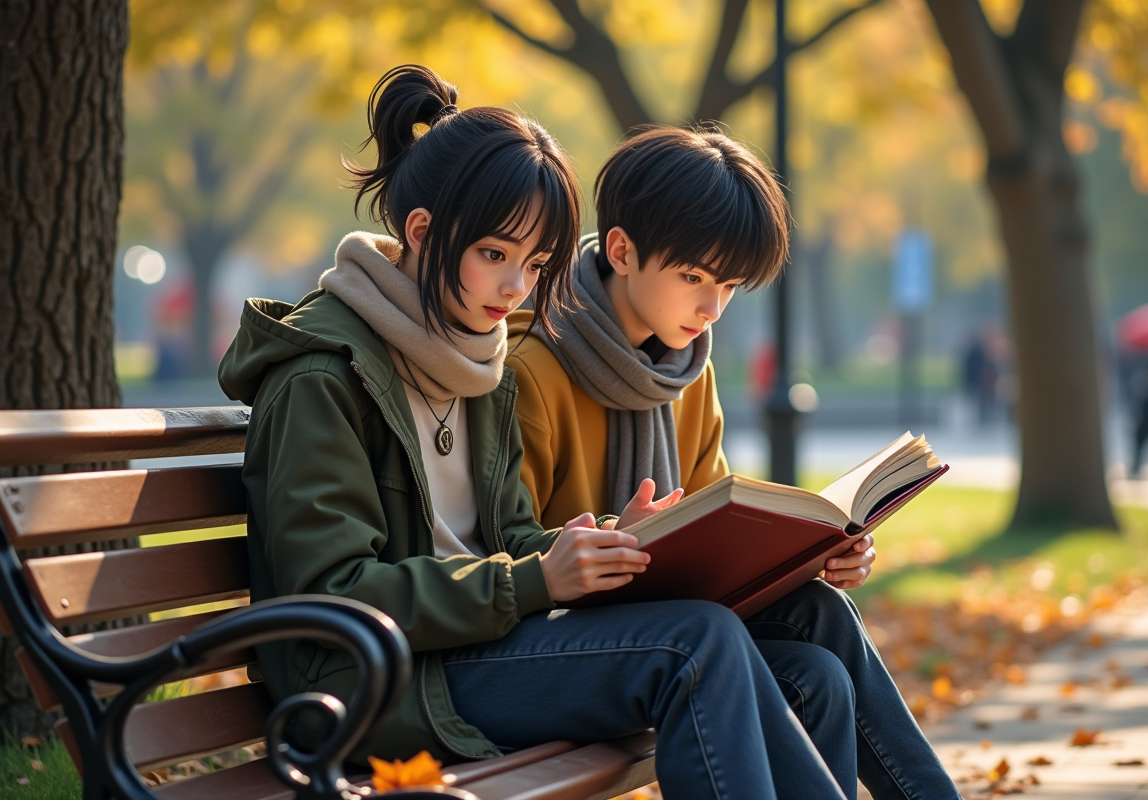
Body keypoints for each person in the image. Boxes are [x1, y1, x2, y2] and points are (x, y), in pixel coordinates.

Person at [218, 65, 848, 800]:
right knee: (696, 643)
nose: (517, 289)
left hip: (474, 651)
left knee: (811, 671)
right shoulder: (323, 379)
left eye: (536, 263)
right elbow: (333, 593)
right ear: (421, 233)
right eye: (494, 255)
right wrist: (532, 579)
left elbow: (511, 537)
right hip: (373, 685)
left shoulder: (476, 361)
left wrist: (619, 540)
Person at [506, 126, 960, 800]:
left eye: (729, 284)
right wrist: (614, 533)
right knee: (756, 646)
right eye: (693, 277)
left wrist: (818, 553)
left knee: (820, 648)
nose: (712, 306)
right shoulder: (532, 367)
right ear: (623, 250)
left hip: (666, 621)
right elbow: (502, 546)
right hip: (559, 643)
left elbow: (714, 521)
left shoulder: (688, 370)